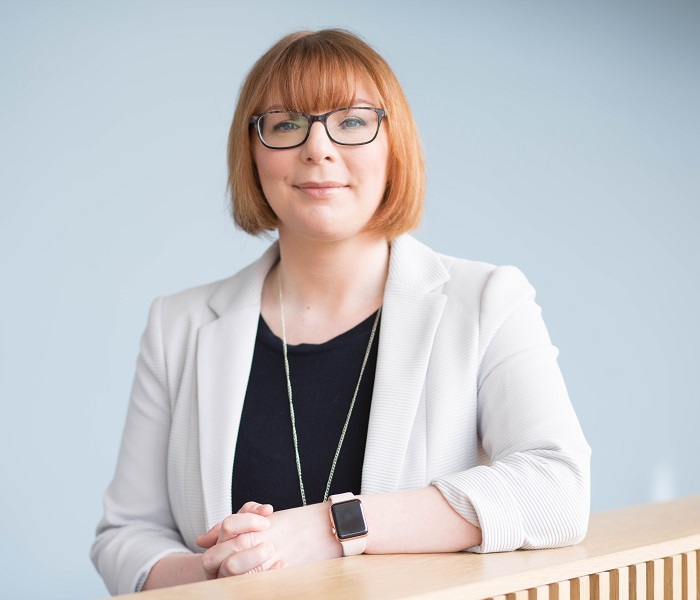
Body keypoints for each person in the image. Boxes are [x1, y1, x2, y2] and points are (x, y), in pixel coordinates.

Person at [91, 29, 591, 595]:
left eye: (351, 122)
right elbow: (126, 534)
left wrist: (330, 528)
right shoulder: (176, 325)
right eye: (285, 124)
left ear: (392, 144)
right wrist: (217, 567)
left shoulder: (486, 301)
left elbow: (558, 489)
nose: (317, 148)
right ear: (251, 154)